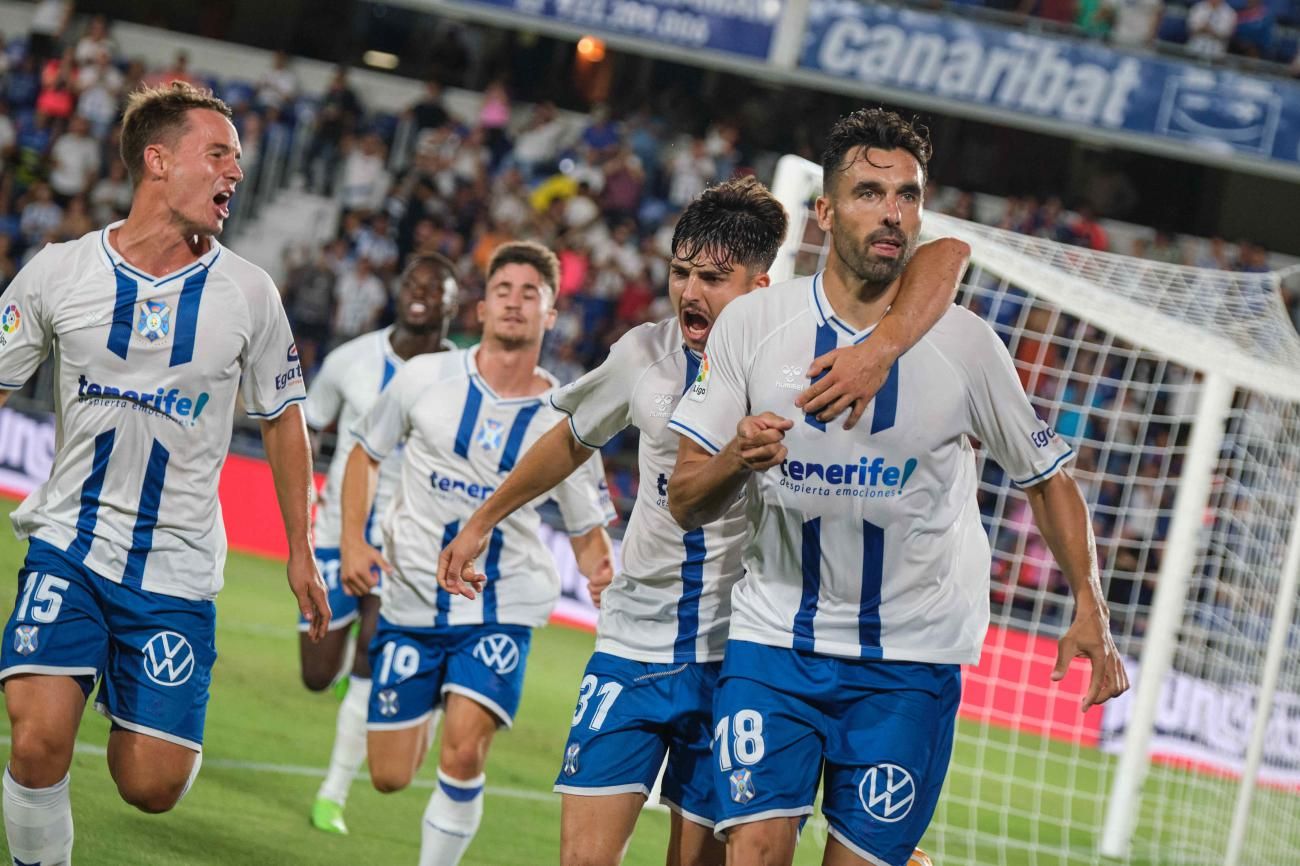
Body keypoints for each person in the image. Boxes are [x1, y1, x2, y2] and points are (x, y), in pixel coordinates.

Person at [438, 176, 968, 866]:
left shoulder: (801, 363)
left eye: (713, 278)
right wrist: (483, 519)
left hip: (738, 656)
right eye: (680, 272)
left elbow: (943, 256)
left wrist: (884, 348)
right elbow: (571, 439)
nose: (690, 292)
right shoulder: (643, 355)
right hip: (632, 643)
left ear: (759, 285)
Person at [667, 108, 1129, 866]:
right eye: (868, 192)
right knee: (751, 849)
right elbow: (685, 498)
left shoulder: (967, 344)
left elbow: (1047, 479)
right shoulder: (754, 325)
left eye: (907, 195)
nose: (891, 212)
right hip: (776, 640)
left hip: (909, 662)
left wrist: (1091, 603)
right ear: (824, 211)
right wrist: (735, 459)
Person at [0, 82, 329, 866]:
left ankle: (129, 702)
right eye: (218, 154)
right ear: (158, 160)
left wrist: (300, 547)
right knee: (38, 736)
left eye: (240, 162)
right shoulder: (59, 273)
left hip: (177, 572)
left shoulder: (250, 292)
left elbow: (283, 418)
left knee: (152, 786)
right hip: (71, 545)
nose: (235, 174)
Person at [341, 240, 616, 866]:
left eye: (530, 294)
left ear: (551, 314)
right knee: (387, 774)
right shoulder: (425, 378)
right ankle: (436, 701)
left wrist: (602, 574)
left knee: (464, 751)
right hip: (411, 593)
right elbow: (365, 452)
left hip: (501, 602)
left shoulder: (566, 419)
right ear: (481, 307)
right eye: (503, 291)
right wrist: (354, 539)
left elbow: (585, 529)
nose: (514, 303)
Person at [302, 252, 461, 835]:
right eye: (412, 283)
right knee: (317, 673)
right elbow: (309, 423)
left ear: (453, 302)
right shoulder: (352, 359)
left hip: (410, 538)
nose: (419, 293)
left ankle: (332, 793)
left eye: (434, 287)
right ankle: (342, 670)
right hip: (338, 531)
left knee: (373, 651)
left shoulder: (463, 373)